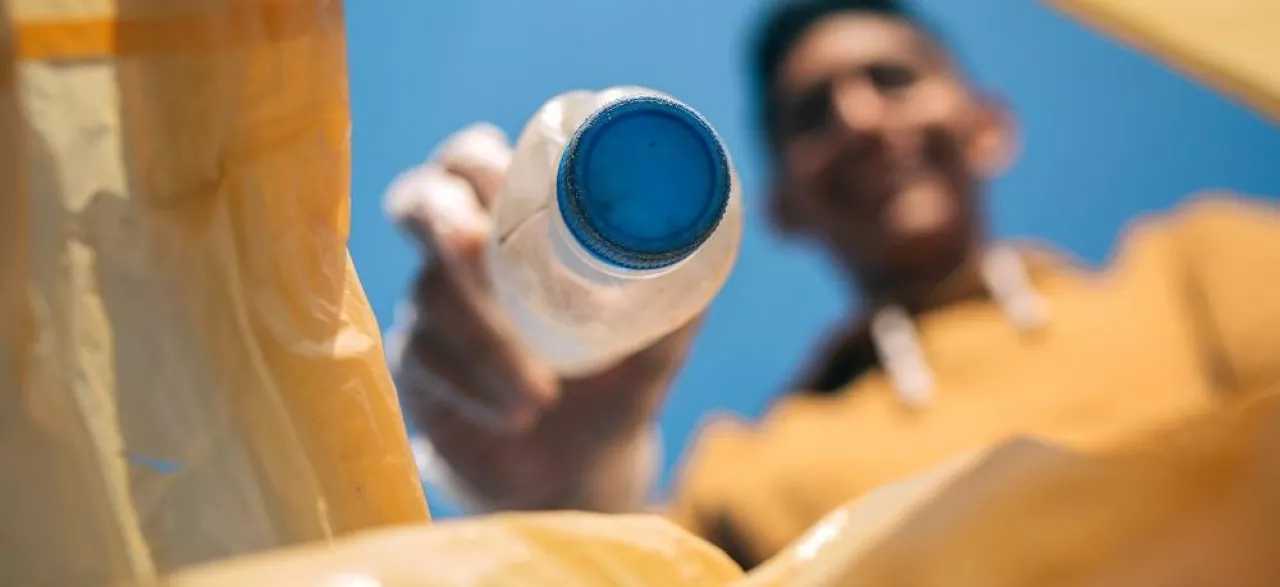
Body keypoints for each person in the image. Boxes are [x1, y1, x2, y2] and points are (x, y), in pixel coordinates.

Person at [385, 0, 1280, 569]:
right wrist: (563, 486)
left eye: (892, 79)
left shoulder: (1201, 268)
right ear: (779, 205)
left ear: (985, 127)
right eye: (811, 114)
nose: (857, 119)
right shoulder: (746, 469)